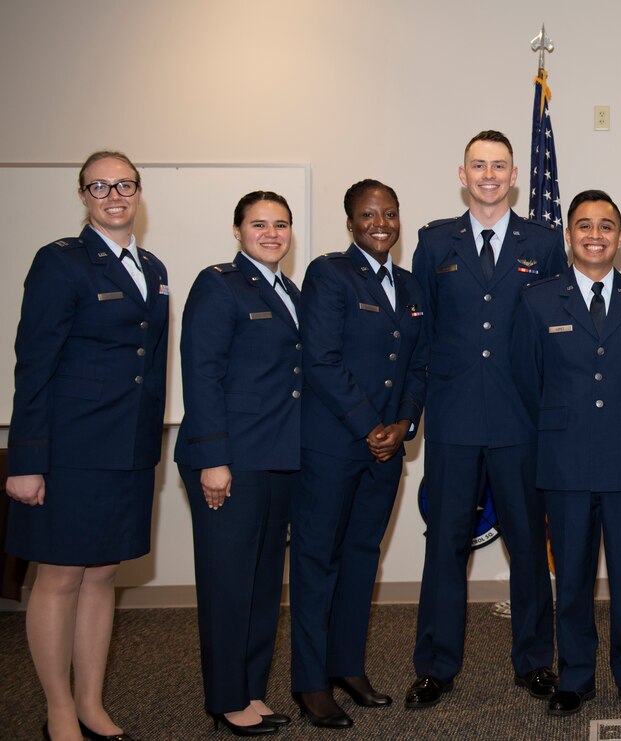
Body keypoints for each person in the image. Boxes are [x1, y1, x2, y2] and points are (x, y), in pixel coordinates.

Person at [5, 150, 168, 741]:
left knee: (103, 576)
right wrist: (26, 459)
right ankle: (56, 710)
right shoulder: (60, 262)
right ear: (83, 196)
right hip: (69, 449)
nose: (114, 195)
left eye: (124, 184)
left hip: (128, 449)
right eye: (100, 186)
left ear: (139, 191)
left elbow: (146, 366)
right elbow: (35, 363)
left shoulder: (151, 266)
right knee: (60, 576)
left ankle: (91, 702)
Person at [407, 130, 565, 709]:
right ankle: (435, 665)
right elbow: (421, 333)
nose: (489, 175)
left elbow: (553, 331)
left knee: (526, 545)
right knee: (444, 544)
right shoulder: (433, 243)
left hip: (521, 419)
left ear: (515, 174)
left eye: (499, 166)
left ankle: (534, 661)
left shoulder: (544, 242)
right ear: (463, 172)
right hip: (452, 419)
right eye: (479, 165)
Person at [510, 190, 621, 717]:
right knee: (573, 576)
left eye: (606, 226)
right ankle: (574, 677)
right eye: (584, 226)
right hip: (565, 460)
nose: (595, 235)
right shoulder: (537, 300)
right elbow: (526, 379)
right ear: (569, 236)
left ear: (620, 239)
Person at [289, 180, 427, 729]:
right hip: (332, 447)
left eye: (389, 213)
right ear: (350, 223)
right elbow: (320, 361)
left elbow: (419, 366)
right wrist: (371, 425)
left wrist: (404, 424)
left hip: (386, 451)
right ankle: (310, 682)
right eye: (368, 215)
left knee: (362, 557)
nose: (380, 223)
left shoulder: (412, 286)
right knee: (316, 561)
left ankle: (348, 666)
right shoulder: (329, 274)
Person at [175, 191, 302, 736]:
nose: (271, 233)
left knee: (262, 584)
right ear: (237, 231)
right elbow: (200, 373)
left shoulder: (290, 291)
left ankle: (250, 688)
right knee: (229, 583)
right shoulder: (219, 284)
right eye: (259, 224)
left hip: (277, 459)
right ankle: (226, 698)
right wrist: (213, 459)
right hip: (230, 460)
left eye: (280, 224)